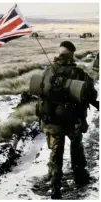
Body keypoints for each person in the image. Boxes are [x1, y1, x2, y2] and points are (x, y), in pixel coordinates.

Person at [35, 41, 99, 199]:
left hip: (53, 120)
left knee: (56, 152)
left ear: (59, 54)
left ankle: (55, 184)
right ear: (71, 54)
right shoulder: (78, 73)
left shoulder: (48, 71)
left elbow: (40, 93)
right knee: (76, 148)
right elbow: (91, 94)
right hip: (73, 120)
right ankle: (80, 177)